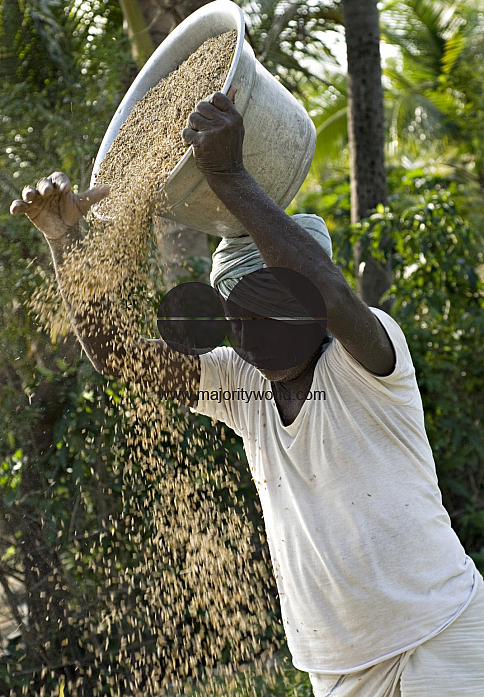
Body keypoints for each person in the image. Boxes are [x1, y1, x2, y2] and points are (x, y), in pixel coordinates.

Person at [10, 91, 484, 697]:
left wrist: (229, 174)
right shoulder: (243, 385)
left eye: (269, 312)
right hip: (336, 666)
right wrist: (64, 239)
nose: (248, 338)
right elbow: (117, 356)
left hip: (438, 637)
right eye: (236, 321)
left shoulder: (370, 360)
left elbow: (336, 295)